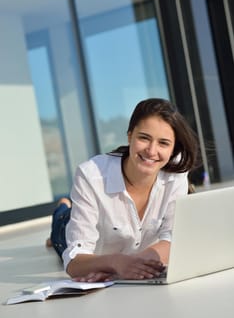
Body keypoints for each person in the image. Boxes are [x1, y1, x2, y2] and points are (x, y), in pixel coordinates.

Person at [47, 98, 199, 282]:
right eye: (144, 138)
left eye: (163, 143)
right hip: (71, 234)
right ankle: (62, 208)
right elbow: (74, 259)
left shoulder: (175, 173)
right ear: (129, 136)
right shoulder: (91, 175)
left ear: (173, 148)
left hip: (129, 255)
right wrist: (116, 263)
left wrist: (130, 265)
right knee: (61, 224)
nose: (152, 150)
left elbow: (172, 239)